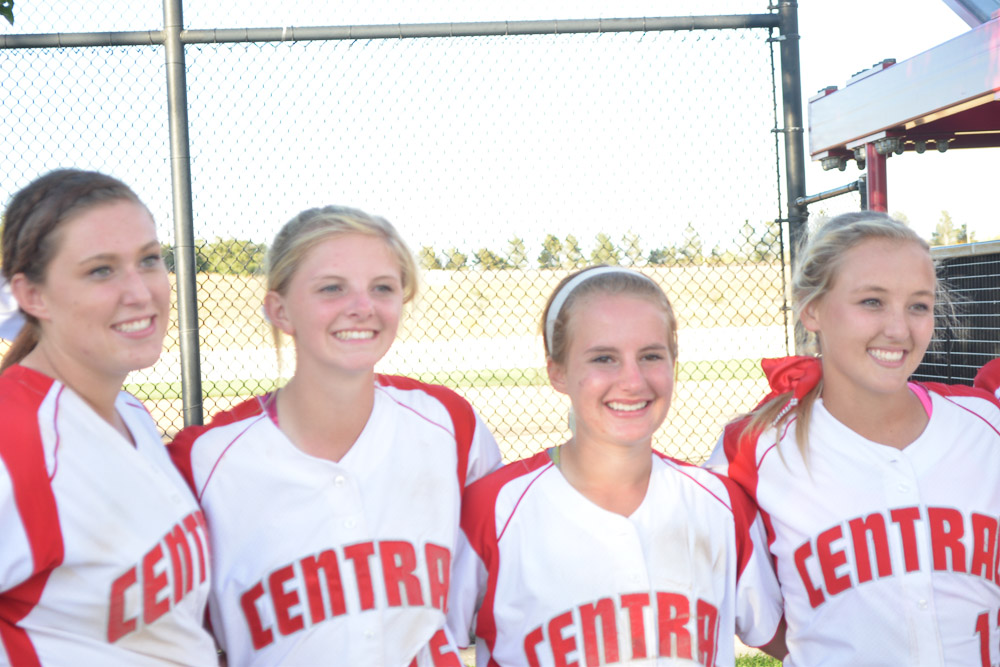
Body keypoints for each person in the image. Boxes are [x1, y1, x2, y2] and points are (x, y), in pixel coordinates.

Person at [168, 205, 502, 666]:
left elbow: (498, 581)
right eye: (331, 288)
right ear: (280, 310)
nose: (363, 307)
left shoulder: (448, 423)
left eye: (382, 287)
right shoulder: (204, 461)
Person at [447, 266, 786, 666]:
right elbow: (417, 642)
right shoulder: (494, 509)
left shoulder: (720, 504)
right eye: (604, 358)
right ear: (557, 371)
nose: (632, 380)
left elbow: (796, 639)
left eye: (651, 356)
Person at [710, 211, 1000, 666]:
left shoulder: (984, 426)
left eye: (918, 306)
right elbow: (762, 617)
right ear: (811, 308)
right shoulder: (756, 450)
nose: (899, 329)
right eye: (872, 301)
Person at [0, 169, 218, 665]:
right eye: (101, 270)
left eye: (149, 260)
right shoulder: (14, 439)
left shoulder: (129, 412)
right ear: (32, 296)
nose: (140, 292)